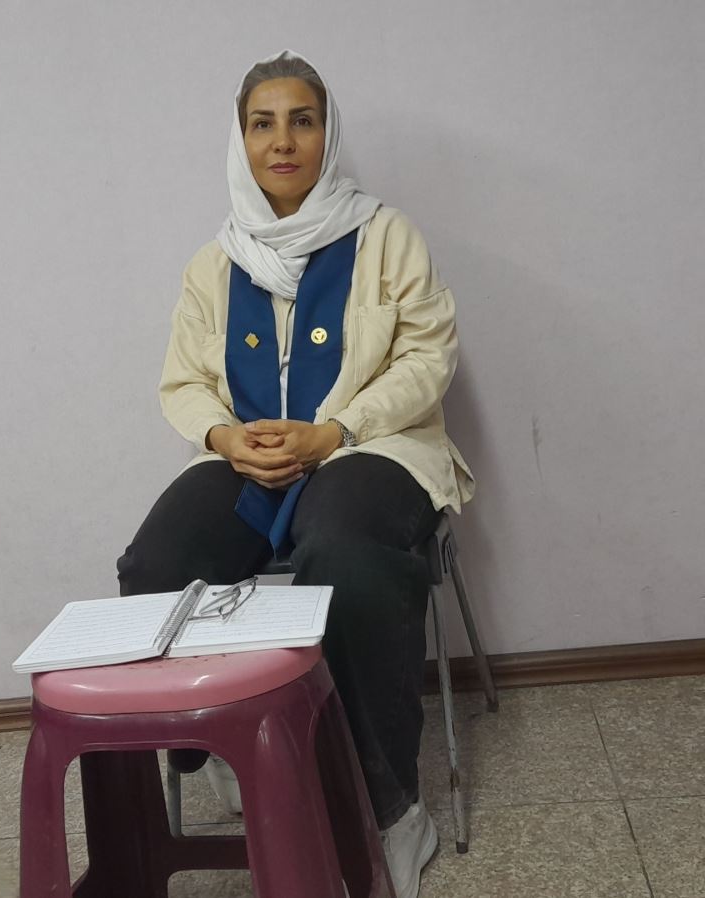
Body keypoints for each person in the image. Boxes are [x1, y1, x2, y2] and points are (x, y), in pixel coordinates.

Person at [115, 49, 474, 898]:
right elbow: (183, 382)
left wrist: (334, 430)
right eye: (263, 123)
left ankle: (393, 808)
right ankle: (215, 753)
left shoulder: (385, 236)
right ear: (240, 140)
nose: (282, 141)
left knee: (343, 551)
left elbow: (428, 357)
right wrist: (223, 437)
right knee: (155, 564)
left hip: (370, 448)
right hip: (250, 455)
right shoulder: (214, 264)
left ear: (327, 135)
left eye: (302, 121)